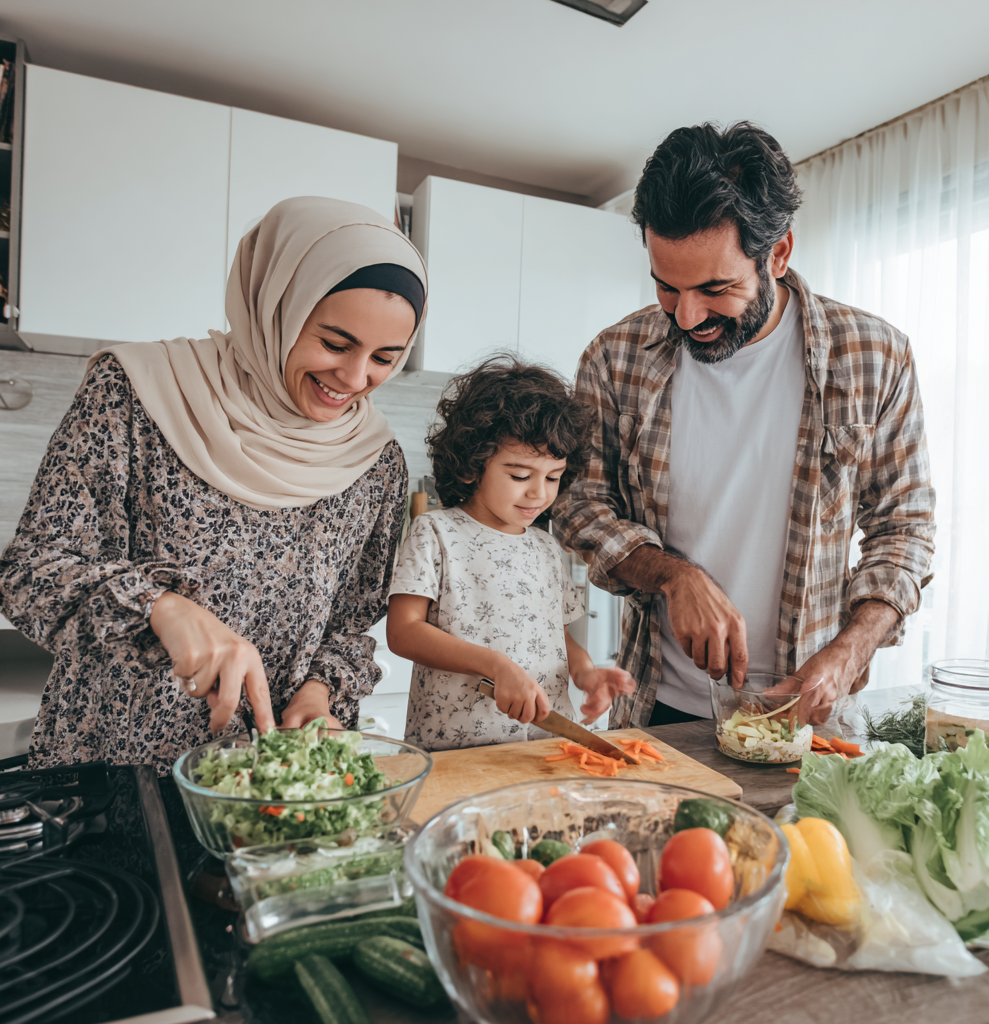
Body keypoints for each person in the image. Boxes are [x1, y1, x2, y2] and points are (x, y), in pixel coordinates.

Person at [0, 197, 428, 773]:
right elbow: (32, 570)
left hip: (271, 783)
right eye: (334, 342)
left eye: (385, 357)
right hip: (116, 767)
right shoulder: (136, 393)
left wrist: (322, 691)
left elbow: (351, 624)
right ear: (275, 305)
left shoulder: (376, 463)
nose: (354, 378)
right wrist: (159, 607)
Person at [553, 123, 935, 728]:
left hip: (807, 716)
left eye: (715, 288)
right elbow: (578, 507)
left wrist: (850, 651)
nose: (687, 315)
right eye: (666, 285)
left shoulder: (876, 358)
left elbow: (904, 530)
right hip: (658, 709)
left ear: (778, 253)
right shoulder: (613, 357)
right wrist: (673, 577)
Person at [385, 358, 635, 751]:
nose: (539, 493)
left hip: (542, 744)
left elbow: (557, 636)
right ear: (471, 467)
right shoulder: (436, 532)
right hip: (457, 745)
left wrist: (586, 673)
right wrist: (495, 665)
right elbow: (403, 632)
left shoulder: (546, 547)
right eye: (520, 476)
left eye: (552, 477)